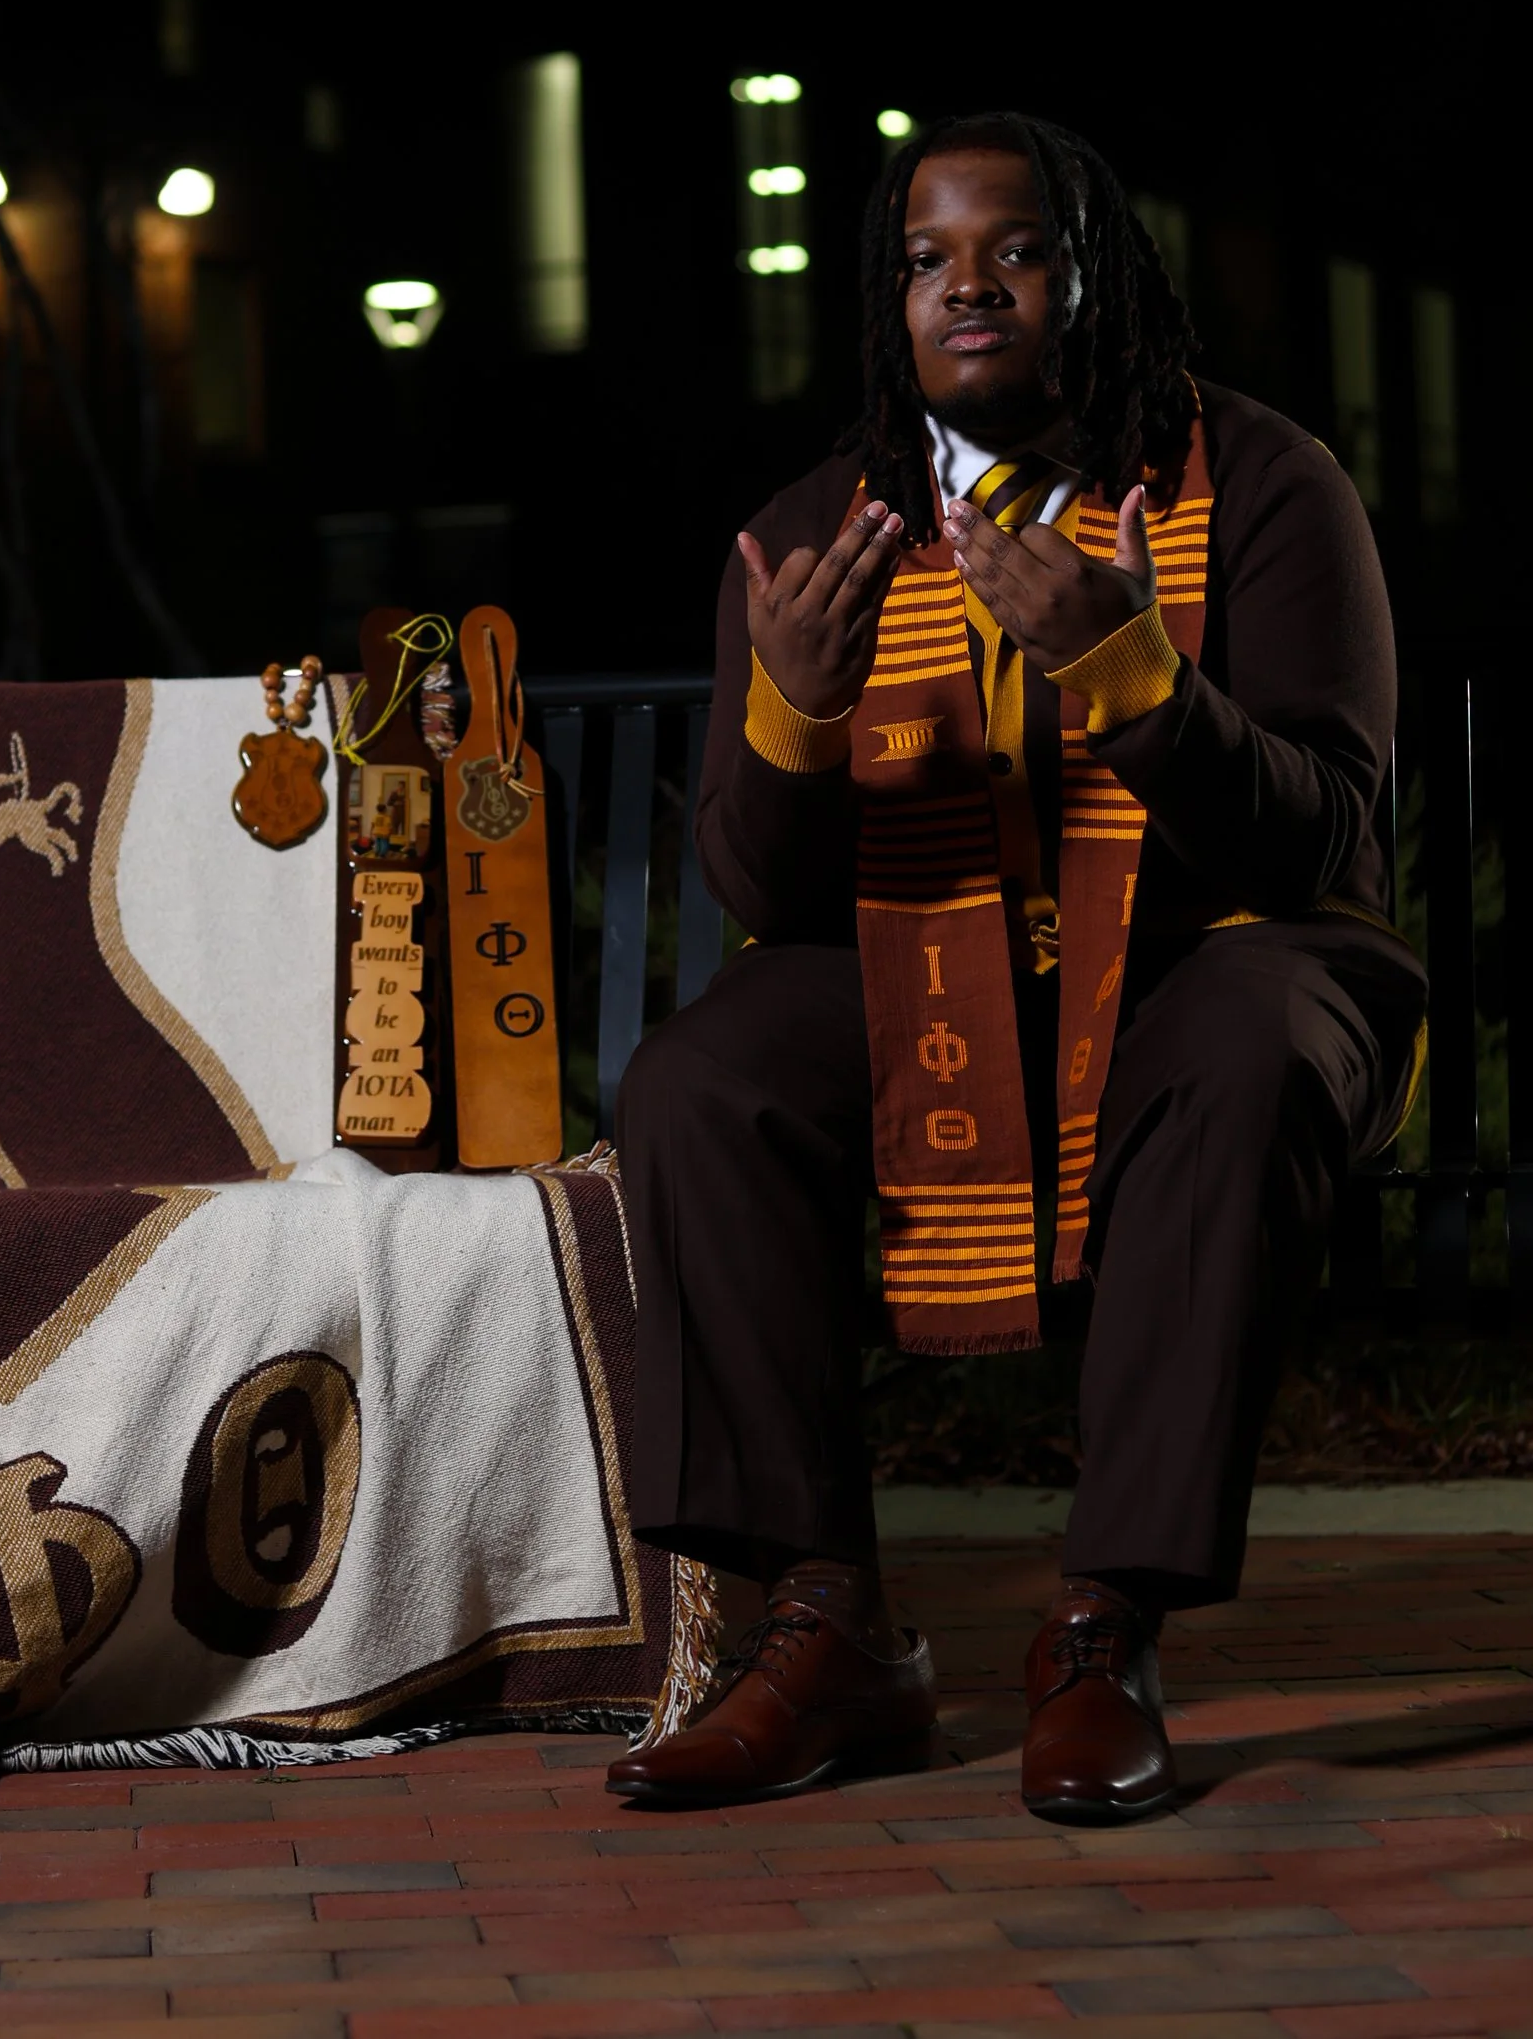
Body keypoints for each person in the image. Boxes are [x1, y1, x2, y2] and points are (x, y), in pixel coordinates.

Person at [608, 114, 1423, 1825]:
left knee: (1249, 1042)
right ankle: (826, 1627)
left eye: (1018, 248)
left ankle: (1099, 1628)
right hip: (936, 976)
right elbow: (759, 886)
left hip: (1225, 954)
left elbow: (1320, 839)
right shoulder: (820, 531)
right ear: (885, 300)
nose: (966, 285)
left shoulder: (1262, 487)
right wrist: (797, 709)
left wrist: (1133, 674)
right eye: (925, 257)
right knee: (705, 1074)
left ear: (1097, 272)